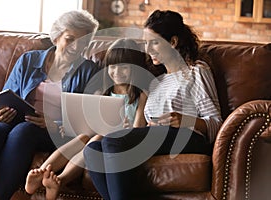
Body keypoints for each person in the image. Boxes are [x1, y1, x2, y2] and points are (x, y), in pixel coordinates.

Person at [83, 10, 223, 200]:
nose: (148, 49)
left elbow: (217, 124)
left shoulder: (196, 72)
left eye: (154, 42)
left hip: (188, 137)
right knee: (92, 151)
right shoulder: (155, 82)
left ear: (173, 42)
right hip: (157, 138)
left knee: (113, 141)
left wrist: (185, 120)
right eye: (146, 44)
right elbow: (143, 128)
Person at [0, 10, 99, 200]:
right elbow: (6, 97)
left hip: (53, 131)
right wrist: (0, 112)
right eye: (70, 39)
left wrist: (53, 123)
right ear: (56, 37)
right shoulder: (29, 60)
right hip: (15, 121)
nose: (75, 47)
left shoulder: (88, 71)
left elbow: (85, 122)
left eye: (82, 42)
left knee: (24, 130)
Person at [24, 38, 148, 200]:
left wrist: (127, 128)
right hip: (97, 137)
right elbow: (88, 122)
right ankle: (44, 173)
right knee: (84, 136)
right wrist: (72, 126)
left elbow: (139, 129)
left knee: (97, 137)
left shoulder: (141, 95)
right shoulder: (102, 92)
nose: (116, 72)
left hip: (121, 141)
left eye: (123, 67)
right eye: (112, 67)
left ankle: (60, 180)